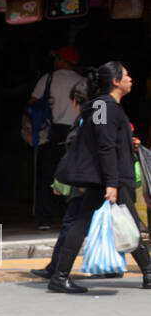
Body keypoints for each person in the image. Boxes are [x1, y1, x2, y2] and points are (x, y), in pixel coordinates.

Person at [47, 61, 151, 293]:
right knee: (127, 223)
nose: (130, 79)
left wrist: (128, 142)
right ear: (115, 81)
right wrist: (112, 183)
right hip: (109, 178)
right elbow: (104, 145)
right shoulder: (103, 106)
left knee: (93, 222)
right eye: (126, 75)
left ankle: (60, 275)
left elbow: (107, 139)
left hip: (107, 176)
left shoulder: (109, 106)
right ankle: (148, 273)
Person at [30, 47, 86, 230]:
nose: (54, 62)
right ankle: (69, 215)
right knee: (74, 176)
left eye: (57, 59)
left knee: (47, 176)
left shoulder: (48, 79)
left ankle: (44, 219)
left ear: (63, 61)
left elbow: (32, 105)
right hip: (77, 132)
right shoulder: (83, 82)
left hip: (52, 133)